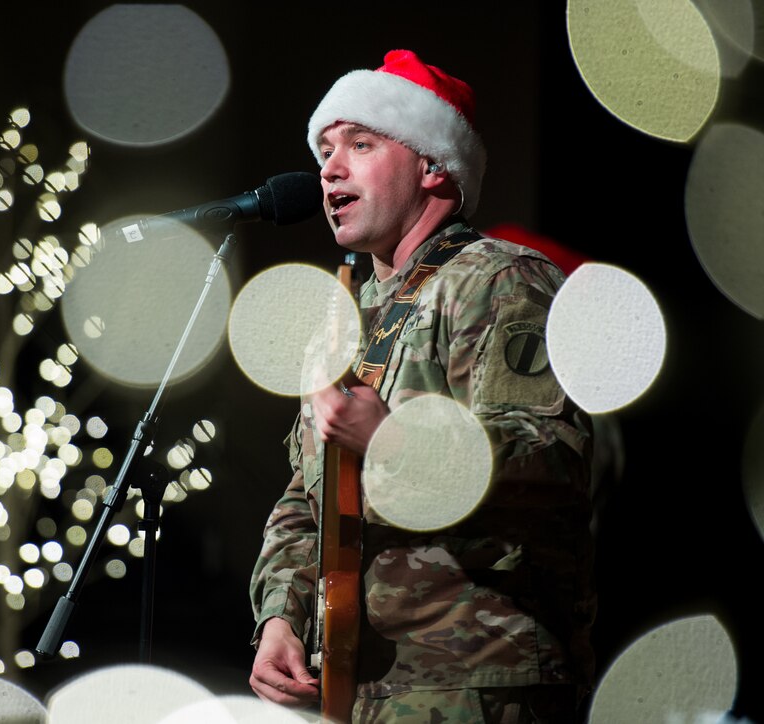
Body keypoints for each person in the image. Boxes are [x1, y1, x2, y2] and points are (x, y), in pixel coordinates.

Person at [248, 50, 596, 723]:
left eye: (361, 143)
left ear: (434, 166)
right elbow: (304, 496)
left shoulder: (500, 280)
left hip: (477, 685)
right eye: (325, 148)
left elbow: (555, 456)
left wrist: (394, 438)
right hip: (361, 685)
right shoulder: (340, 321)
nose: (329, 168)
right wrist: (279, 619)